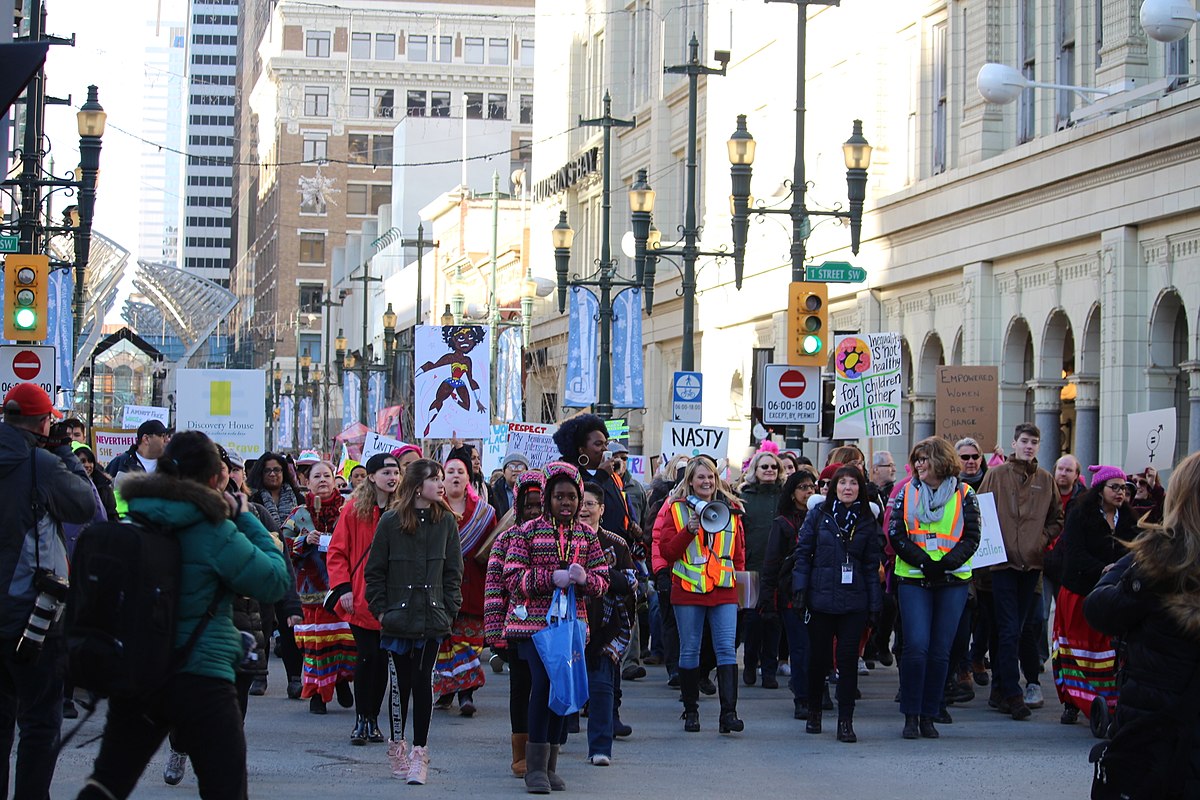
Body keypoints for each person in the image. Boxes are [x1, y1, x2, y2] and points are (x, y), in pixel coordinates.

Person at [77, 430, 290, 800]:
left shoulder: (136, 518)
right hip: (202, 677)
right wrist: (244, 517)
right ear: (213, 479)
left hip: (141, 672)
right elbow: (273, 581)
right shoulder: (215, 530)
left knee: (106, 784)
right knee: (225, 789)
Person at [1082, 450, 1200, 799]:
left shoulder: (1158, 557)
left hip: (1155, 734)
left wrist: (1138, 572)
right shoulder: (1160, 556)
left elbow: (1101, 609)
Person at [0, 385, 94, 799]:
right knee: (39, 722)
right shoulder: (41, 464)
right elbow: (84, 507)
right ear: (43, 424)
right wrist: (66, 453)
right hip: (32, 619)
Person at [501, 461, 608, 794]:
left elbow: (603, 581)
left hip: (572, 625)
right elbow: (512, 578)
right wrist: (549, 578)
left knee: (565, 689)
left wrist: (586, 579)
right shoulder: (526, 532)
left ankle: (551, 765)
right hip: (533, 625)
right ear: (547, 497)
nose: (566, 503)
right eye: (559, 496)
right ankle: (534, 767)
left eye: (572, 497)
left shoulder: (588, 536)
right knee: (544, 685)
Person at [365, 457, 462, 786]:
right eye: (435, 478)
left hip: (432, 618)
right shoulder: (391, 522)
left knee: (423, 682)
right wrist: (382, 611)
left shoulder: (446, 522)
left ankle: (420, 752)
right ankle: (397, 746)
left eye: (442, 478)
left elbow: (453, 574)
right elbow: (374, 572)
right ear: (418, 485)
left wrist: (449, 611)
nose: (441, 484)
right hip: (397, 618)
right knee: (400, 685)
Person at [888, 437, 981, 740]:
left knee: (941, 651)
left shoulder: (965, 494)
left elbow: (972, 537)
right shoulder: (906, 492)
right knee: (916, 646)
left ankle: (930, 713)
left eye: (924, 459)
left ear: (941, 461)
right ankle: (911, 715)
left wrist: (945, 564)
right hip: (915, 577)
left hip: (952, 580)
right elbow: (897, 534)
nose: (918, 465)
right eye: (916, 460)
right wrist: (925, 562)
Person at [655, 456, 747, 734]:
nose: (706, 482)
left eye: (710, 477)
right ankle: (691, 711)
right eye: (700, 478)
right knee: (690, 649)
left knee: (726, 650)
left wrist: (744, 597)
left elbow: (739, 556)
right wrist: (688, 531)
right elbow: (668, 552)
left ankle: (728, 715)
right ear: (690, 482)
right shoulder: (676, 509)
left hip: (724, 588)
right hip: (688, 588)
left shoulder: (732, 510)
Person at [978, 423, 1063, 720]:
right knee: (1009, 628)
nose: (1029, 446)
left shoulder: (1045, 479)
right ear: (1014, 443)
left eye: (1034, 442)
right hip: (1001, 565)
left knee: (1020, 627)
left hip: (1032, 564)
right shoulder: (997, 475)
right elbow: (980, 512)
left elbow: (1056, 518)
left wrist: (1041, 540)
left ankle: (1001, 689)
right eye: (1024, 441)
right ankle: (1013, 693)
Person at [792, 464, 882, 743]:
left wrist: (874, 604)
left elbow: (871, 565)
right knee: (818, 661)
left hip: (854, 602)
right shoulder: (819, 514)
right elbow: (803, 554)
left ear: (861, 488)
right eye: (841, 483)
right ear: (833, 488)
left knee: (847, 662)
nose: (847, 488)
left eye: (853, 483)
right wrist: (800, 591)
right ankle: (815, 711)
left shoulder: (867, 518)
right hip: (820, 599)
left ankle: (846, 720)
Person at [1053, 464, 1137, 726]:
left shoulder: (1129, 518)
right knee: (1077, 652)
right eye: (1115, 487)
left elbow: (1136, 549)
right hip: (1080, 592)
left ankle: (1107, 703)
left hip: (1113, 595)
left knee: (1107, 653)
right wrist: (1103, 569)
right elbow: (1074, 552)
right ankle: (1072, 703)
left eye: (1124, 488)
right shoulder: (1080, 514)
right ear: (1100, 490)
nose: (1120, 493)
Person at [327, 453, 401, 745]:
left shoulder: (404, 509)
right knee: (367, 655)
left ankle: (373, 719)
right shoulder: (354, 510)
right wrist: (342, 588)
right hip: (359, 596)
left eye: (396, 471)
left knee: (382, 659)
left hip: (393, 598)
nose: (392, 476)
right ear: (371, 476)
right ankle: (362, 718)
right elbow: (337, 552)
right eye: (386, 471)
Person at [483, 471, 544, 778]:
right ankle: (519, 753)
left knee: (545, 689)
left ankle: (541, 748)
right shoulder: (506, 539)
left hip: (549, 629)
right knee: (520, 688)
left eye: (539, 504)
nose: (534, 511)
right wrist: (495, 635)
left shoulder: (557, 538)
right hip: (516, 630)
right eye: (527, 505)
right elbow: (495, 589)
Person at [282, 460, 356, 714]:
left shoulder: (349, 510)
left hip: (341, 587)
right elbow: (283, 547)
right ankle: (317, 694)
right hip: (309, 592)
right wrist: (304, 541)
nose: (323, 480)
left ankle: (342, 680)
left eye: (327, 475)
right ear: (307, 482)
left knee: (345, 641)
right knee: (315, 644)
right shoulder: (298, 514)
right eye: (317, 476)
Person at [432, 447, 495, 715]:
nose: (455, 476)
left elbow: (494, 549)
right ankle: (446, 689)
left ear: (469, 478)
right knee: (444, 643)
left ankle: (466, 693)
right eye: (450, 472)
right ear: (442, 479)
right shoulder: (433, 510)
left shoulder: (485, 513)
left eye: (461, 471)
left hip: (473, 587)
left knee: (468, 643)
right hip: (441, 589)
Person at [578, 482, 636, 766]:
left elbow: (630, 583)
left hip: (605, 628)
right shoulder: (560, 539)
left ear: (601, 509)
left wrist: (602, 573)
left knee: (601, 687)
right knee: (560, 687)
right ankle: (554, 739)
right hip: (568, 627)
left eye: (590, 504)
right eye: (580, 503)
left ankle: (600, 748)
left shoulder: (616, 543)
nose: (584, 509)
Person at [760, 468, 818, 719]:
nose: (809, 492)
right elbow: (771, 564)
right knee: (800, 647)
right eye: (803, 487)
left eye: (812, 487)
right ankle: (802, 698)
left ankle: (814, 691)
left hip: (821, 593)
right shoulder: (783, 523)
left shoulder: (824, 517)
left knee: (817, 648)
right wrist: (768, 600)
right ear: (792, 493)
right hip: (791, 595)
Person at [738, 445, 785, 689]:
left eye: (773, 466)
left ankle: (769, 671)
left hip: (778, 570)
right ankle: (749, 663)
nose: (769, 470)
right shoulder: (744, 497)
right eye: (764, 466)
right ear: (755, 470)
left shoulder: (784, 497)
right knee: (752, 621)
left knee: (773, 622)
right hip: (749, 567)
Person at [246, 451, 304, 529]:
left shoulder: (298, 498)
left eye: (276, 470)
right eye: (267, 470)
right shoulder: (252, 498)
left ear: (283, 472)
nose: (272, 474)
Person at [71, 441, 119, 522]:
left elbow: (111, 513)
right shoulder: (66, 485)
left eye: (90, 461)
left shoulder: (104, 485)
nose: (87, 465)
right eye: (82, 461)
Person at [491, 452, 530, 518]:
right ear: (503, 471)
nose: (516, 470)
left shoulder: (532, 491)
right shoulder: (494, 492)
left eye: (520, 467)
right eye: (511, 466)